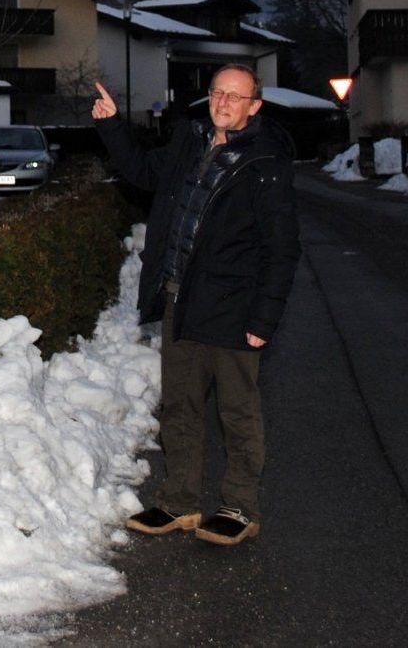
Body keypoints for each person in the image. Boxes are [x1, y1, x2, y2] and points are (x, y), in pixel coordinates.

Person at [92, 65, 300, 546]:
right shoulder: (191, 142)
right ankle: (179, 500)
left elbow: (282, 250)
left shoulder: (265, 162)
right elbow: (143, 172)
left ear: (254, 106)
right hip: (180, 298)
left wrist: (263, 319)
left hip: (233, 307)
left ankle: (239, 505)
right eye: (217, 93)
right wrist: (111, 126)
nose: (224, 102)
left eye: (236, 96)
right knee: (179, 406)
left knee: (237, 412)